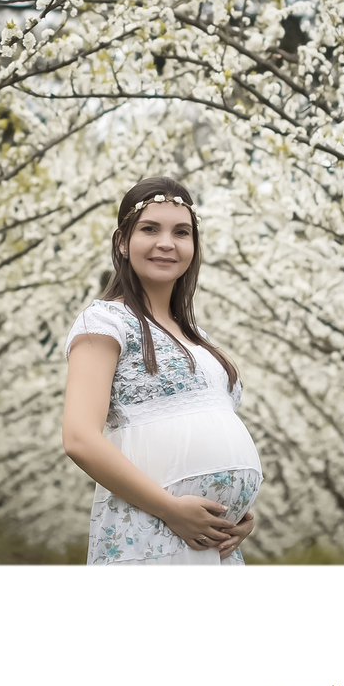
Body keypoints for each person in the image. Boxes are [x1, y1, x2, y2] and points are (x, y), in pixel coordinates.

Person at [62, 177, 262, 565]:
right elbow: (79, 438)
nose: (167, 243)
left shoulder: (199, 340)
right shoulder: (104, 322)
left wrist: (240, 515)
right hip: (149, 532)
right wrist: (170, 509)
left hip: (213, 545)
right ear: (122, 241)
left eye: (181, 232)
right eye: (150, 229)